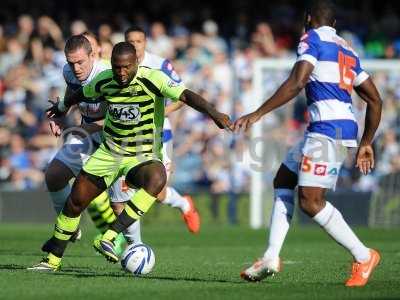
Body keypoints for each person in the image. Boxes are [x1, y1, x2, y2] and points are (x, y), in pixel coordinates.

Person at [30, 42, 232, 271]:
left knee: (157, 179)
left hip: (141, 154)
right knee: (75, 202)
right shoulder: (105, 80)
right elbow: (81, 94)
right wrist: (61, 106)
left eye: (126, 67)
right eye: (117, 68)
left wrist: (214, 113)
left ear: (136, 62)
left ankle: (110, 235)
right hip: (109, 152)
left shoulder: (152, 78)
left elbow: (186, 96)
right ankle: (52, 260)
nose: (122, 73)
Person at [235, 0, 382, 287]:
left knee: (310, 202)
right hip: (332, 126)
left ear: (308, 19)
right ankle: (270, 256)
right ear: (334, 24)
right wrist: (366, 141)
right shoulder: (347, 48)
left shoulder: (310, 39)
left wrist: (258, 113)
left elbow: (297, 81)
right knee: (284, 178)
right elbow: (375, 99)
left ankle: (363, 255)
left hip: (329, 129)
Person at [107, 27, 200, 247]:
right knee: (121, 196)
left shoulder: (160, 65)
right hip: (125, 138)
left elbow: (182, 95)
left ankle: (183, 204)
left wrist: (160, 112)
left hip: (157, 135)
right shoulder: (118, 67)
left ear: (145, 42)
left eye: (139, 41)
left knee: (155, 191)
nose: (136, 45)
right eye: (131, 41)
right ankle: (133, 245)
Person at [44, 33, 126, 248]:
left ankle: (132, 250)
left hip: (116, 142)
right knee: (54, 176)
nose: (76, 68)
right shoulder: (68, 72)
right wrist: (61, 116)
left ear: (93, 55)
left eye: (80, 62)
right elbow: (72, 93)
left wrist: (85, 128)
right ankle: (70, 227)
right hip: (88, 136)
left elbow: (119, 119)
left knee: (118, 206)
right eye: (71, 63)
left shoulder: (110, 75)